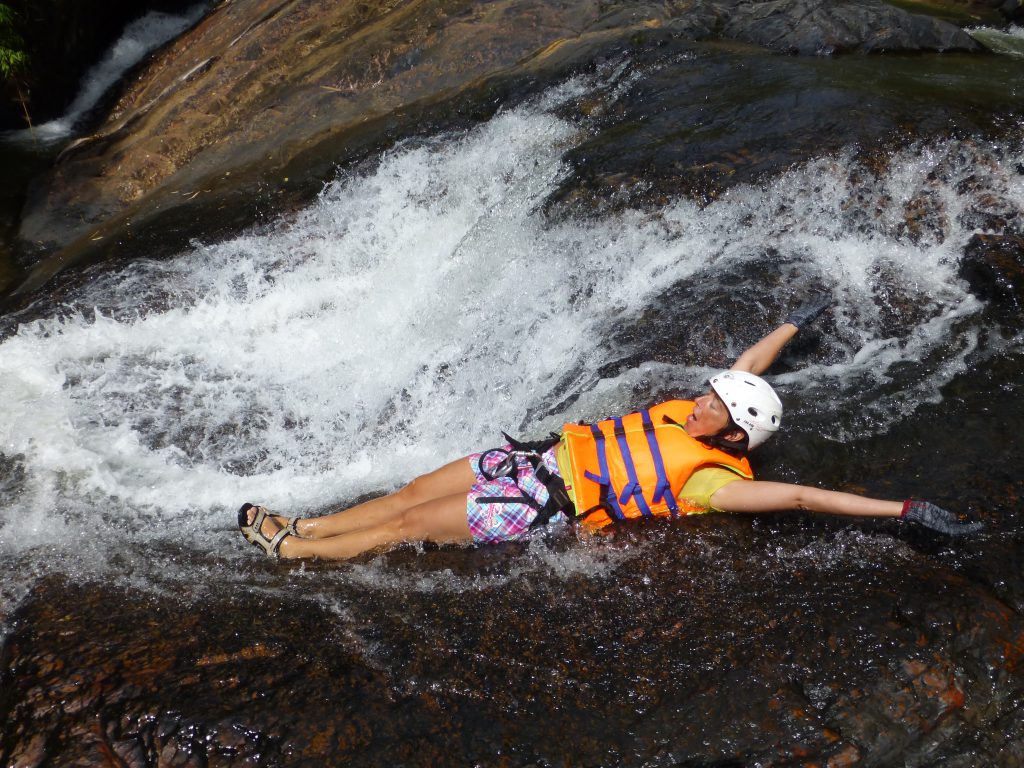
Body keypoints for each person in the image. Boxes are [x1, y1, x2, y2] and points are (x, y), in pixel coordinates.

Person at [238, 295, 982, 560]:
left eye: (712, 409)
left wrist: (903, 511)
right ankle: (307, 525)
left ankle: (298, 554)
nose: (697, 403)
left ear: (732, 439)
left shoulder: (717, 483)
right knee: (405, 493)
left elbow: (802, 498)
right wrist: (794, 323)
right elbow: (749, 364)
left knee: (407, 527)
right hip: (532, 460)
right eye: (707, 396)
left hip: (541, 506)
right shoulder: (711, 409)